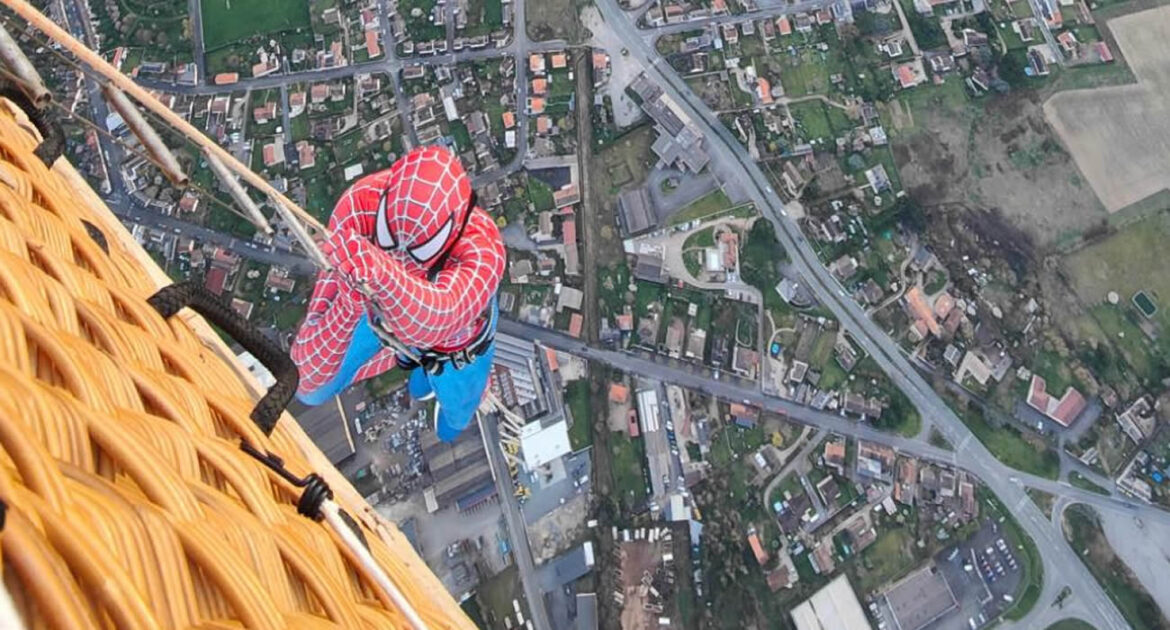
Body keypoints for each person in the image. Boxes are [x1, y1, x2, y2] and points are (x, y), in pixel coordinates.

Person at [291, 146, 505, 441]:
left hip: (456, 335)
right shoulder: (360, 204)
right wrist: (351, 301)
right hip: (376, 306)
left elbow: (438, 318)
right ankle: (424, 376)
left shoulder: (483, 249)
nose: (402, 257)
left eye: (420, 251)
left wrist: (380, 268)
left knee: (456, 413)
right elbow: (306, 371)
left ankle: (443, 394)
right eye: (389, 235)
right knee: (311, 389)